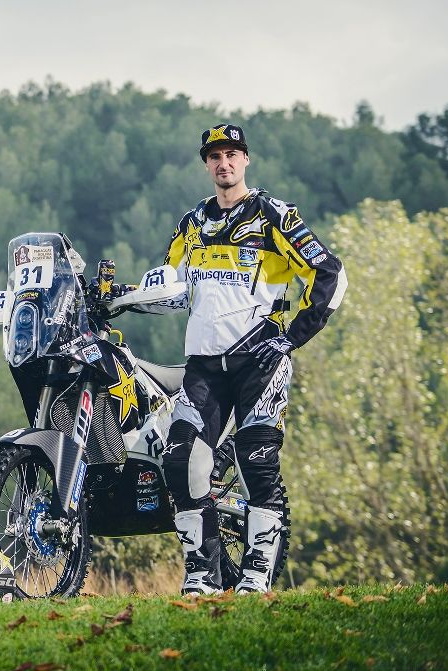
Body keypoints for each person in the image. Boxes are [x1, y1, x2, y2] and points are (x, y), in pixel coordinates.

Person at [157, 124, 347, 594]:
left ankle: (257, 575)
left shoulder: (273, 215)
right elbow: (171, 286)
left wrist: (291, 338)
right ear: (206, 164)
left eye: (232, 154)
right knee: (181, 460)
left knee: (256, 461)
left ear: (245, 159)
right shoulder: (191, 223)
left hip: (260, 360)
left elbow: (331, 274)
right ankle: (201, 575)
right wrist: (121, 297)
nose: (223, 163)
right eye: (214, 156)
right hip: (204, 366)